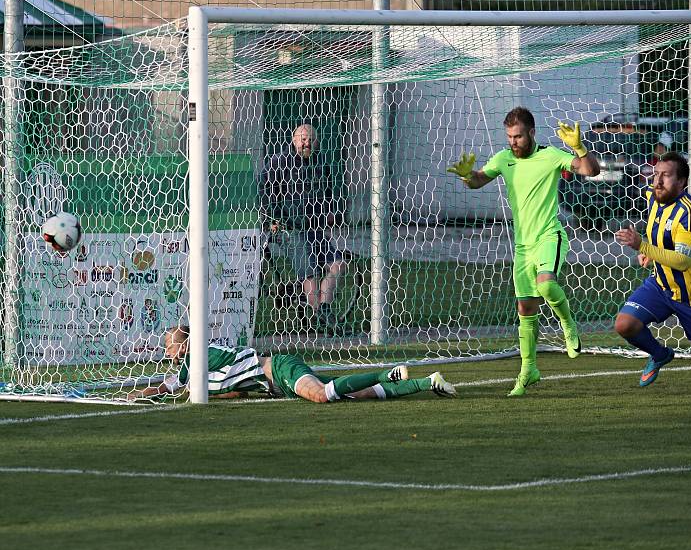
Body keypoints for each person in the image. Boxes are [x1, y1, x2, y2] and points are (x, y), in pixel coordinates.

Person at [447, 107, 601, 397]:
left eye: (518, 136)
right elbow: (479, 180)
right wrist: (466, 176)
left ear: (531, 133)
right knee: (524, 309)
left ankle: (568, 325)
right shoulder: (504, 158)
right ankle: (528, 370)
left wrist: (578, 147)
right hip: (522, 247)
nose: (513, 142)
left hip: (549, 236)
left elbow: (591, 171)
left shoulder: (551, 155)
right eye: (509, 137)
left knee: (546, 284)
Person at [614, 151, 691, 416]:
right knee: (625, 324)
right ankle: (659, 354)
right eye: (656, 174)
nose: (657, 181)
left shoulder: (689, 212)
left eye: (665, 176)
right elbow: (657, 230)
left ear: (682, 182)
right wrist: (648, 248)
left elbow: (681, 261)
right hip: (661, 285)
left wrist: (642, 245)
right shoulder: (654, 198)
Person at [128, 326, 457, 402]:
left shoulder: (197, 356)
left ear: (184, 343)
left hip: (281, 369)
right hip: (276, 382)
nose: (166, 351)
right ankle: (428, 382)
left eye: (170, 344)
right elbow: (234, 388)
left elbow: (172, 385)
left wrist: (140, 394)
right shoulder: (204, 360)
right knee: (362, 395)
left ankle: (387, 372)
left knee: (323, 395)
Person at [260, 123, 347, 334]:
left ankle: (324, 310)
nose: (307, 143)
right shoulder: (277, 163)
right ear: (294, 140)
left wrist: (332, 211)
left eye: (311, 139)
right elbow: (264, 194)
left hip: (314, 229)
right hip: (287, 230)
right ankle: (322, 317)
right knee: (310, 272)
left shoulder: (322, 163)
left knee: (338, 264)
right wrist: (273, 219)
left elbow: (330, 193)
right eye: (303, 139)